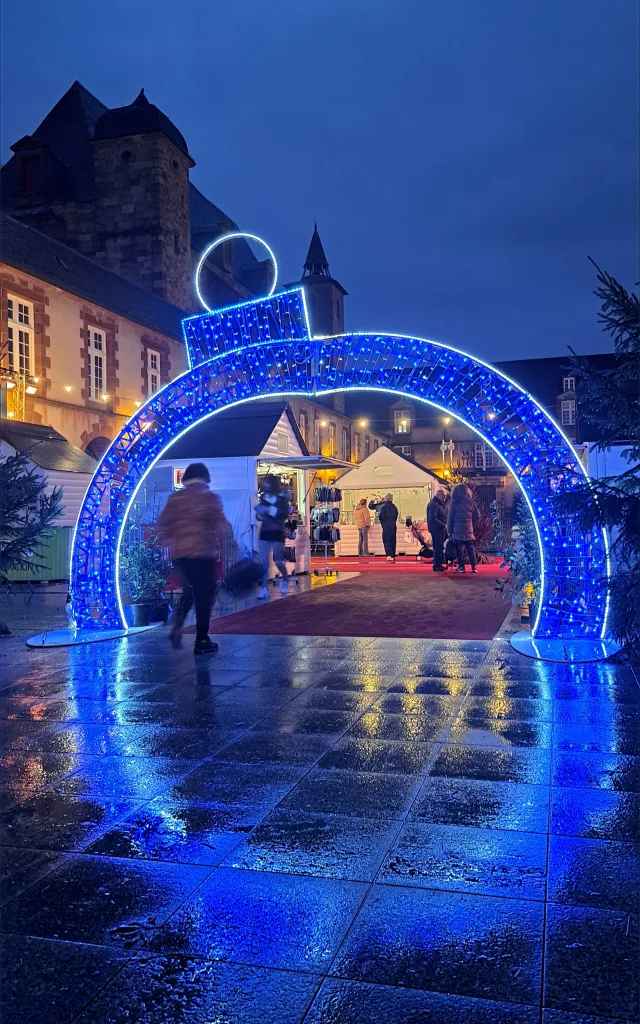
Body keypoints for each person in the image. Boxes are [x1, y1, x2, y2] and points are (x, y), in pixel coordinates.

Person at [157, 462, 230, 654]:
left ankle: (178, 624)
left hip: (181, 555)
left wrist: (172, 540)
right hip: (204, 553)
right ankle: (202, 640)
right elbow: (221, 525)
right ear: (205, 478)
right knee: (204, 597)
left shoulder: (175, 498)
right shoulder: (209, 497)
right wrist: (229, 545)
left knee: (190, 590)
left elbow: (162, 523)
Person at [255, 474, 290, 600]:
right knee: (264, 562)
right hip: (265, 532)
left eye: (267, 483)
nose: (265, 486)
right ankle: (264, 588)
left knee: (278, 561)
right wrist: (259, 514)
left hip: (277, 532)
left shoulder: (282, 499)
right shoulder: (263, 497)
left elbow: (284, 514)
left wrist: (268, 510)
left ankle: (285, 578)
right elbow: (259, 516)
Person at [447, 483, 479, 573]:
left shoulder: (454, 503)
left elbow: (450, 518)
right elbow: (477, 516)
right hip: (468, 529)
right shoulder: (471, 502)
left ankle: (461, 567)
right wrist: (470, 521)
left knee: (459, 547)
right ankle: (474, 566)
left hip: (457, 530)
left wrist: (449, 531)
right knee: (470, 547)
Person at [427, 488, 449, 572]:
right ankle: (437, 565)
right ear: (439, 495)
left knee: (439, 547)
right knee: (438, 547)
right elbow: (433, 518)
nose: (444, 498)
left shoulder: (438, 504)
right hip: (437, 529)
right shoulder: (434, 504)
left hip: (440, 528)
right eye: (443, 496)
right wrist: (444, 525)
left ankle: (438, 564)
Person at [378, 492, 399, 562]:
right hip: (393, 525)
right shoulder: (395, 507)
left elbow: (381, 517)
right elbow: (396, 516)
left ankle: (389, 555)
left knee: (386, 540)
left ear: (386, 499)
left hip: (386, 525)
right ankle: (393, 555)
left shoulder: (383, 508)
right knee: (393, 540)